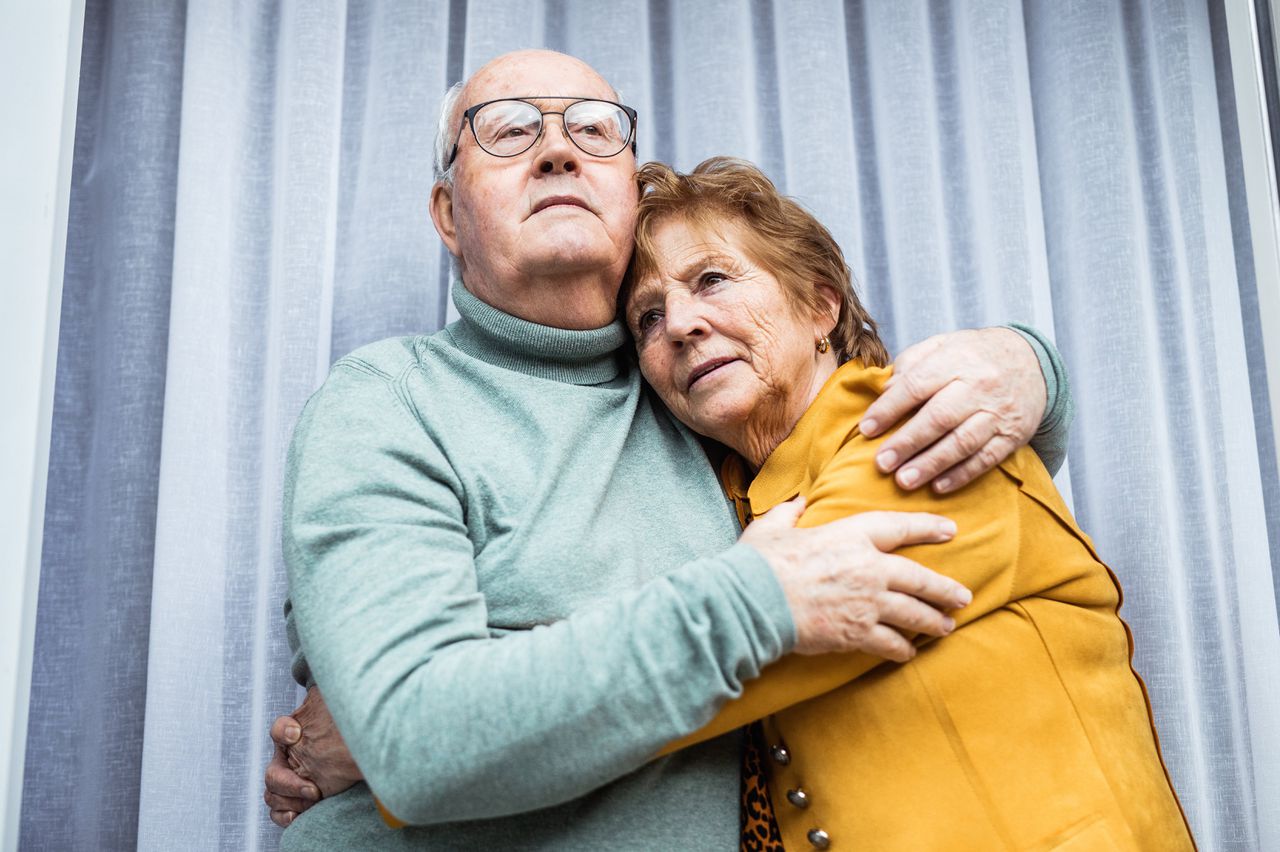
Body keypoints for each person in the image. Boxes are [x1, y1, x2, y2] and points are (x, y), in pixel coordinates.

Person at [267, 50, 1074, 850]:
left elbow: (901, 466)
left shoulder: (701, 395)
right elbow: (420, 742)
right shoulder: (387, 400)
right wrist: (754, 603)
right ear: (448, 214)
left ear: (627, 192)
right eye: (508, 131)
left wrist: (1028, 365)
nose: (558, 148)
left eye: (594, 129)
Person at [622, 158, 1194, 850]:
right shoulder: (731, 505)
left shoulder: (921, 437)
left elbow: (654, 688)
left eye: (711, 279)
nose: (680, 324)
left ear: (820, 306)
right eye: (647, 318)